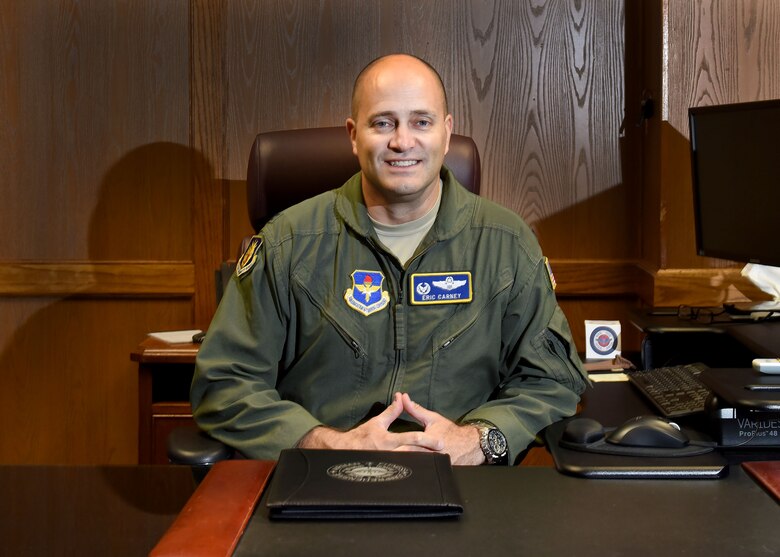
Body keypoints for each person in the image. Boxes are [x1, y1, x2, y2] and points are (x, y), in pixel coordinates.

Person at [190, 53, 589, 465]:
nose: (402, 141)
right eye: (383, 123)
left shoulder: (506, 244)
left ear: (447, 133)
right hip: (322, 488)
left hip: (467, 491)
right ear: (353, 134)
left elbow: (550, 380)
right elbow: (224, 383)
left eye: (421, 122)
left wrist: (480, 440)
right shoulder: (287, 242)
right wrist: (324, 443)